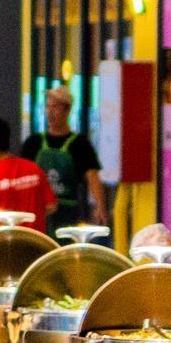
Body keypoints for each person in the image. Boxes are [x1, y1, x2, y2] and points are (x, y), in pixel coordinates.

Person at [20, 83, 109, 233]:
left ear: (67, 110)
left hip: (69, 215)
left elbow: (92, 175)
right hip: (39, 213)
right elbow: (21, 176)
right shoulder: (33, 142)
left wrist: (100, 205)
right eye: (47, 107)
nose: (50, 112)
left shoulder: (80, 144)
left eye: (55, 107)